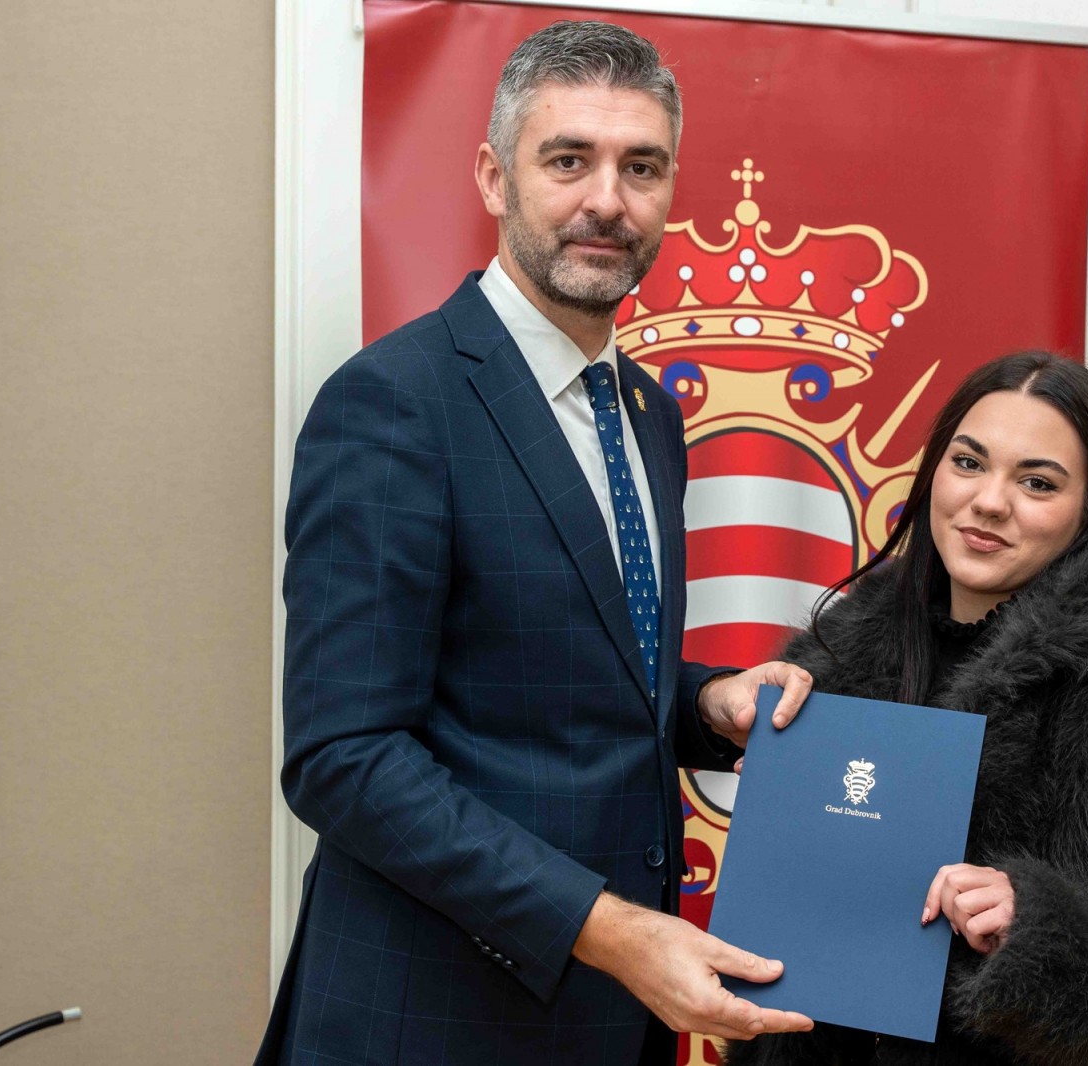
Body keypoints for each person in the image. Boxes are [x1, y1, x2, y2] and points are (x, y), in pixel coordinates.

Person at [256, 20, 815, 1066]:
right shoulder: (393, 402)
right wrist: (612, 932)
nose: (608, 199)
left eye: (641, 167)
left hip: (610, 1023)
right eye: (568, 160)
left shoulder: (648, 413)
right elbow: (343, 756)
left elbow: (568, 677)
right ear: (492, 177)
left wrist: (706, 705)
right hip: (433, 1019)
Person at [725, 352, 1088, 1066]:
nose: (990, 501)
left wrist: (1040, 926)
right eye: (968, 463)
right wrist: (784, 803)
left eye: (1037, 482)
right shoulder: (837, 650)